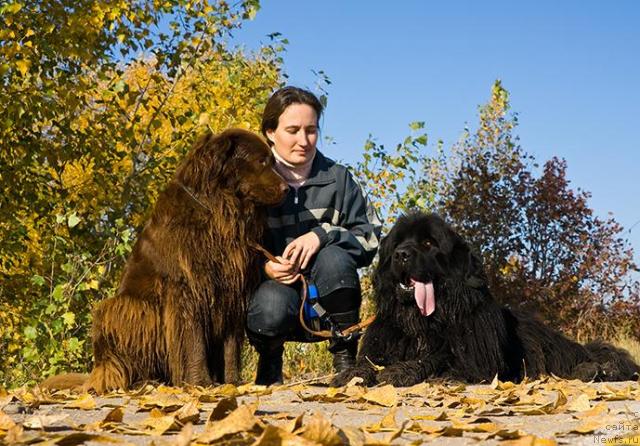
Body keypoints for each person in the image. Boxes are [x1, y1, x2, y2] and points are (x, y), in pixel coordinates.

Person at [246, 86, 382, 385]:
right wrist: (263, 267)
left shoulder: (339, 179)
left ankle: (346, 361)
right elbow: (231, 247)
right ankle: (269, 363)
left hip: (330, 298)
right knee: (270, 307)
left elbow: (371, 238)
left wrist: (323, 234)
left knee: (334, 258)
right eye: (292, 130)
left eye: (311, 130)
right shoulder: (250, 181)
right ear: (270, 132)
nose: (303, 141)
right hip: (275, 299)